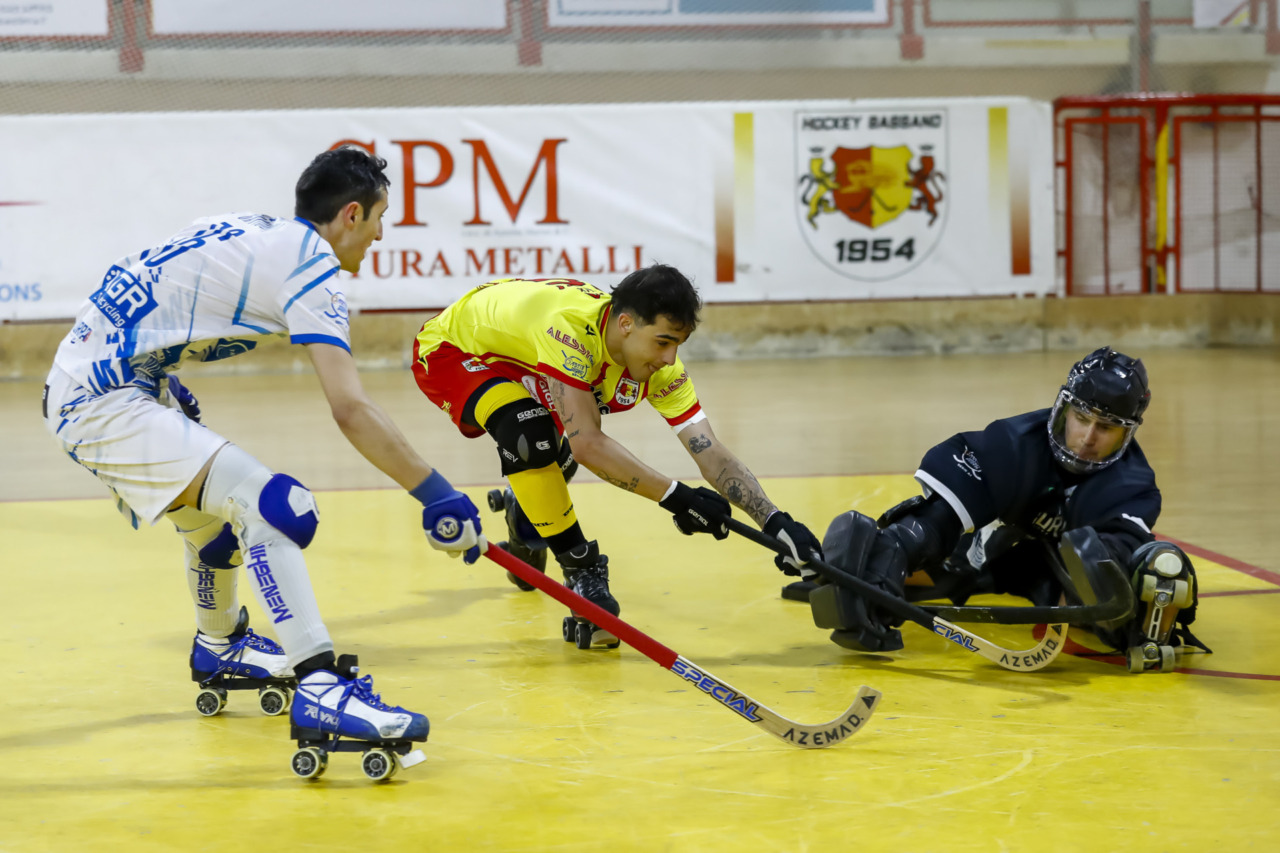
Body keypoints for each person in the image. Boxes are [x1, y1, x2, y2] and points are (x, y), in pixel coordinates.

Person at [43, 147, 485, 767]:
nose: (381, 236)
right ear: (350, 215)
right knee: (276, 507)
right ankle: (322, 687)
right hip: (103, 400)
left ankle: (220, 644)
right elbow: (350, 409)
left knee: (213, 519)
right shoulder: (313, 265)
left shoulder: (254, 228)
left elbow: (138, 281)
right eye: (381, 219)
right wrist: (435, 493)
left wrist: (156, 373)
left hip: (96, 383)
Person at [410, 265, 822, 647]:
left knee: (552, 451)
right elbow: (588, 443)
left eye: (678, 344)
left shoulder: (662, 368)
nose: (669, 359)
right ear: (625, 324)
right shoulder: (569, 333)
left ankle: (527, 510)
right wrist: (679, 498)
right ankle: (581, 570)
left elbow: (709, 450)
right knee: (529, 435)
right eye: (662, 342)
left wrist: (776, 523)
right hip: (459, 350)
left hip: (525, 357)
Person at [792, 346, 1209, 673]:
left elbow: (1113, 552)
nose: (1086, 438)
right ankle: (862, 587)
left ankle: (1140, 620)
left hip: (1054, 571)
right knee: (913, 539)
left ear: (1127, 434)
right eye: (1081, 417)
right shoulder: (1013, 443)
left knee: (1113, 575)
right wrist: (897, 551)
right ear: (1063, 407)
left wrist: (1117, 593)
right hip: (990, 547)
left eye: (1107, 428)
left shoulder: (1131, 485)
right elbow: (941, 521)